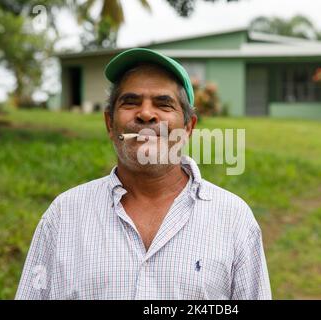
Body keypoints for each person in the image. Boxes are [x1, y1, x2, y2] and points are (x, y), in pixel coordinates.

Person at [15, 48, 271, 300]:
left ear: (188, 127)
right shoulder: (63, 216)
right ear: (109, 123)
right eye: (131, 102)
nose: (146, 114)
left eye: (163, 104)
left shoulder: (234, 218)